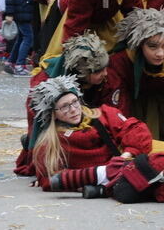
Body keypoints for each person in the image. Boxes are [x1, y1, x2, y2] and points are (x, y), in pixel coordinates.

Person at [28, 75, 152, 191]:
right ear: (53, 114)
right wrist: (97, 175)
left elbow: (137, 129)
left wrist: (125, 156)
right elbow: (50, 179)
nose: (73, 110)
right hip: (109, 177)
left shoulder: (103, 114)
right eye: (64, 106)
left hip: (131, 160)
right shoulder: (50, 142)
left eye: (75, 102)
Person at [15, 32, 110, 177]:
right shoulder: (44, 82)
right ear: (82, 72)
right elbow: (40, 121)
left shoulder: (101, 79)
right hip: (56, 122)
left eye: (105, 68)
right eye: (98, 71)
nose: (105, 73)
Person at [103, 8, 164, 141]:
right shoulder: (121, 61)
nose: (160, 53)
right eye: (153, 46)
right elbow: (118, 106)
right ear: (140, 45)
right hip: (131, 104)